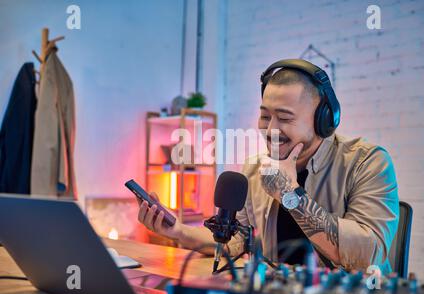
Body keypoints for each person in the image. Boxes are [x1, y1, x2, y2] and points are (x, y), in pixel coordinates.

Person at [137, 59, 399, 274]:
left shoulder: (368, 162)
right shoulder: (255, 168)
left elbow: (369, 254)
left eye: (284, 118)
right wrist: (177, 231)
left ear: (323, 122)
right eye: (265, 116)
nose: (270, 130)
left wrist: (290, 195)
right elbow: (236, 242)